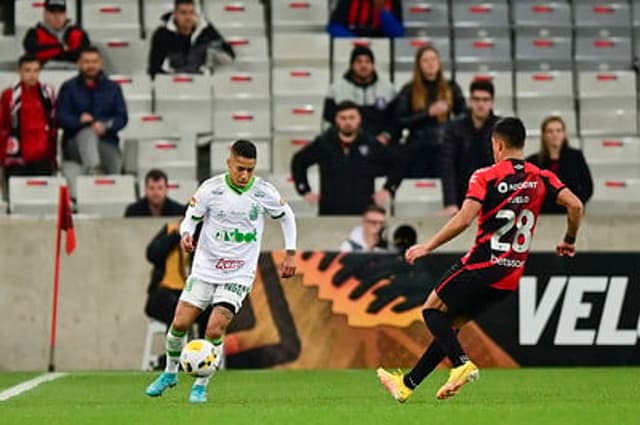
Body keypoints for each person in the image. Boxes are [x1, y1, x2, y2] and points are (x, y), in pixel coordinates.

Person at [376, 117, 584, 402]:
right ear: (523, 144)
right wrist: (569, 240)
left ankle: (462, 364)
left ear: (497, 144)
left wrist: (429, 246)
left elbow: (464, 219)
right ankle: (408, 384)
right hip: (510, 276)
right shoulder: (541, 176)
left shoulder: (486, 175)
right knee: (449, 326)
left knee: (431, 311)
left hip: (482, 264)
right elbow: (575, 205)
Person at [145, 139, 298, 403]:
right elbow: (190, 219)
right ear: (229, 162)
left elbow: (287, 216)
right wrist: (186, 236)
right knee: (180, 322)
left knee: (215, 329)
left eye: (250, 169)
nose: (244, 175)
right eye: (240, 168)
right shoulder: (210, 190)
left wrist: (291, 253)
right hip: (205, 270)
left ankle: (201, 387)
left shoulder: (264, 192)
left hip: (239, 274)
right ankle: (170, 373)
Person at [291, 100, 403, 216]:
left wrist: (388, 189)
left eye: (352, 117)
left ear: (359, 119)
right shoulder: (324, 143)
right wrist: (304, 190)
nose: (348, 122)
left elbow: (398, 162)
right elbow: (298, 161)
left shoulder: (370, 143)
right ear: (336, 120)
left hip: (363, 211)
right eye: (343, 118)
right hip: (330, 211)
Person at [57, 46, 128, 198]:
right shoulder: (68, 88)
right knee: (87, 134)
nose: (91, 65)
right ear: (79, 64)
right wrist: (80, 121)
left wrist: (105, 125)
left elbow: (122, 118)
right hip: (74, 144)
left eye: (94, 61)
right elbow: (60, 117)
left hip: (106, 140)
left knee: (114, 160)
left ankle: (114, 195)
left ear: (100, 63)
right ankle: (92, 176)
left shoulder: (113, 88)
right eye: (86, 62)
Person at [394, 46, 466, 178]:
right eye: (425, 60)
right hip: (418, 146)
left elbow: (464, 115)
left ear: (439, 62)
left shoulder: (451, 87)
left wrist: (451, 126)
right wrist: (428, 113)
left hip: (444, 144)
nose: (430, 64)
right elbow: (401, 120)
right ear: (419, 65)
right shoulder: (409, 90)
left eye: (433, 59)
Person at [440, 80, 500, 216]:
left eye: (485, 100)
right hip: (463, 194)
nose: (480, 104)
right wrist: (450, 202)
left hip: (494, 196)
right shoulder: (454, 128)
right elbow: (447, 166)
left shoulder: (501, 128)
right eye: (476, 99)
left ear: (492, 102)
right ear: (470, 101)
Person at [145, 221, 210, 343]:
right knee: (176, 308)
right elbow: (152, 254)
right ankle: (176, 355)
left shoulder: (204, 238)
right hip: (160, 294)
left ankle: (203, 352)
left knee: (209, 311)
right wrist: (176, 235)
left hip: (187, 294)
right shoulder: (171, 229)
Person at [0, 54, 57, 194]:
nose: (32, 75)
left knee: (42, 197)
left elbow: (53, 123)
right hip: (16, 156)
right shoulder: (10, 95)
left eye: (36, 70)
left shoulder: (47, 93)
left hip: (42, 154)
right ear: (19, 71)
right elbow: (3, 125)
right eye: (28, 70)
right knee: (16, 198)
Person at [324, 46, 396, 145]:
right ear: (352, 65)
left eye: (367, 61)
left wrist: (386, 136)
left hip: (380, 144)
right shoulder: (336, 89)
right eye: (359, 62)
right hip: (346, 145)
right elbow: (328, 119)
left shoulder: (388, 89)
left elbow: (395, 119)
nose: (363, 65)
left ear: (373, 64)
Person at [148, 0, 235, 78]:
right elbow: (154, 68)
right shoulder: (162, 34)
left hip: (202, 81)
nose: (188, 17)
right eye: (183, 13)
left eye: (191, 12)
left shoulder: (205, 31)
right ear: (175, 14)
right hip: (172, 82)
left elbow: (229, 56)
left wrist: (208, 29)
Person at [526, 116, 593, 214]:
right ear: (544, 135)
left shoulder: (576, 157)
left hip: (571, 212)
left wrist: (574, 203)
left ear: (564, 134)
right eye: (550, 131)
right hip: (544, 215)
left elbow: (588, 187)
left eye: (558, 130)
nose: (555, 134)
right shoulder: (533, 162)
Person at [22, 0, 90, 67]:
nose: (57, 17)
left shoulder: (79, 34)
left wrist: (49, 54)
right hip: (43, 75)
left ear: (65, 14)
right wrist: (62, 48)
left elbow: (84, 56)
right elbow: (33, 54)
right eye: (53, 12)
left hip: (75, 74)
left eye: (61, 12)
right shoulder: (34, 33)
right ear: (45, 13)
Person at [328, 0, 404, 38]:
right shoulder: (348, 1)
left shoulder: (393, 2)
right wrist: (357, 41)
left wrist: (382, 11)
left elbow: (397, 34)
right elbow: (334, 27)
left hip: (382, 49)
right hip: (351, 45)